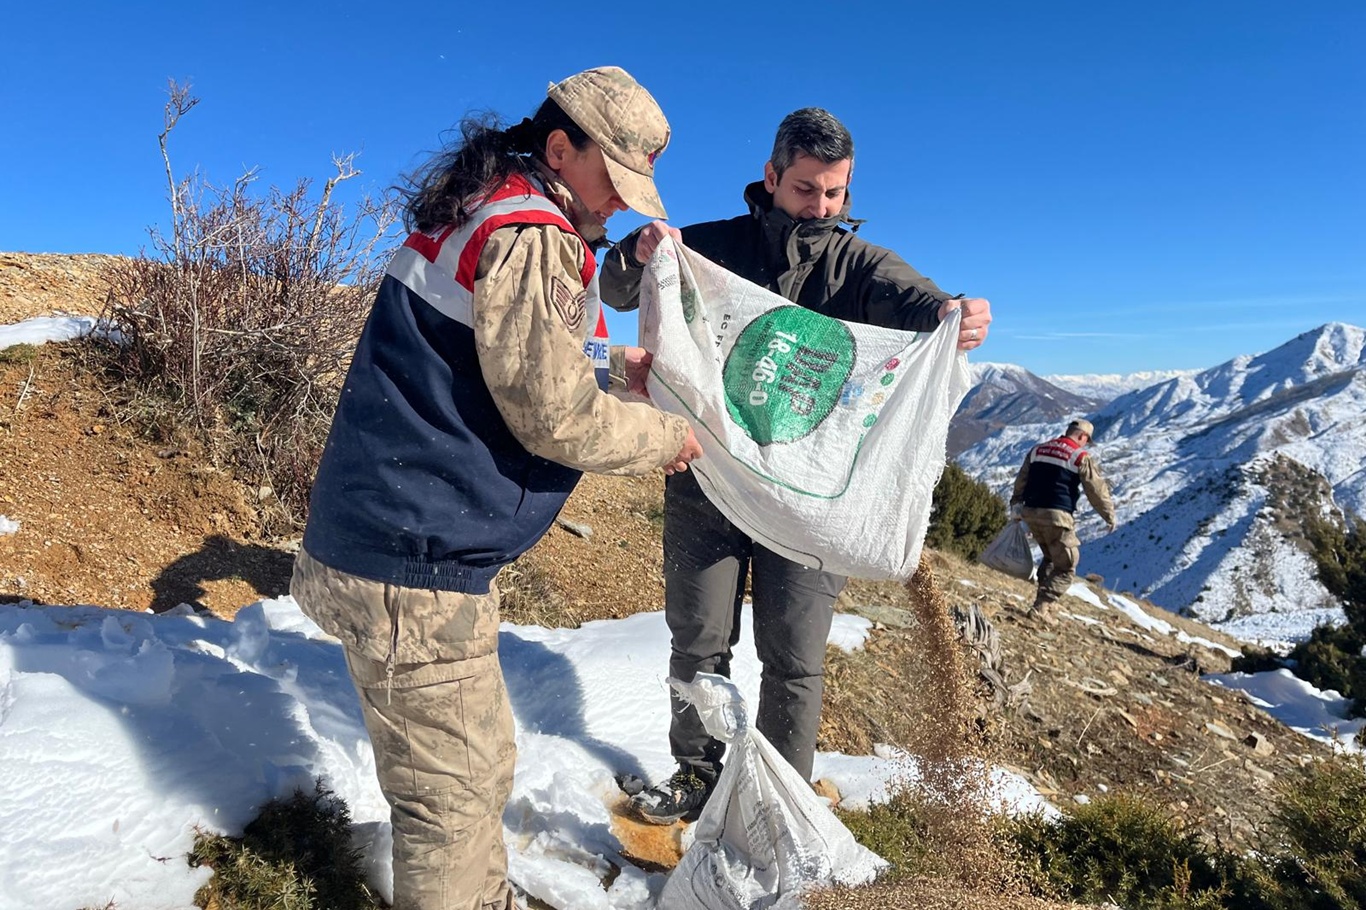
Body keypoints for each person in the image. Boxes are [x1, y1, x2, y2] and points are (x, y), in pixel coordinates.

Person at [288, 66, 702, 910]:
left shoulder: (488, 207)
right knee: (449, 799)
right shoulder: (533, 234)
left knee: (477, 768)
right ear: (561, 147)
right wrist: (666, 436)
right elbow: (552, 414)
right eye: (614, 178)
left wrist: (616, 365)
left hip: (406, 542)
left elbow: (506, 351)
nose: (621, 204)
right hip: (413, 561)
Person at [598, 107, 993, 824]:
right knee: (698, 639)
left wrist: (952, 312)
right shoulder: (711, 247)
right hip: (707, 477)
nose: (821, 206)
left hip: (809, 502)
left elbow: (915, 300)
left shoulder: (857, 264)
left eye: (835, 192)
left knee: (795, 657)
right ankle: (696, 774)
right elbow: (617, 290)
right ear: (772, 176)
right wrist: (637, 250)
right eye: (807, 188)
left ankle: (777, 801)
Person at [1009, 418, 1116, 624]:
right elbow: (1096, 490)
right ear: (1082, 436)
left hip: (1031, 513)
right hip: (1057, 517)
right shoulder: (1079, 456)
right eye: (1086, 440)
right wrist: (1108, 515)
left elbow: (1021, 480)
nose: (1085, 444)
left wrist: (1016, 505)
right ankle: (1042, 607)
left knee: (1051, 557)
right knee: (1066, 566)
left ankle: (1045, 604)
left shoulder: (1038, 450)